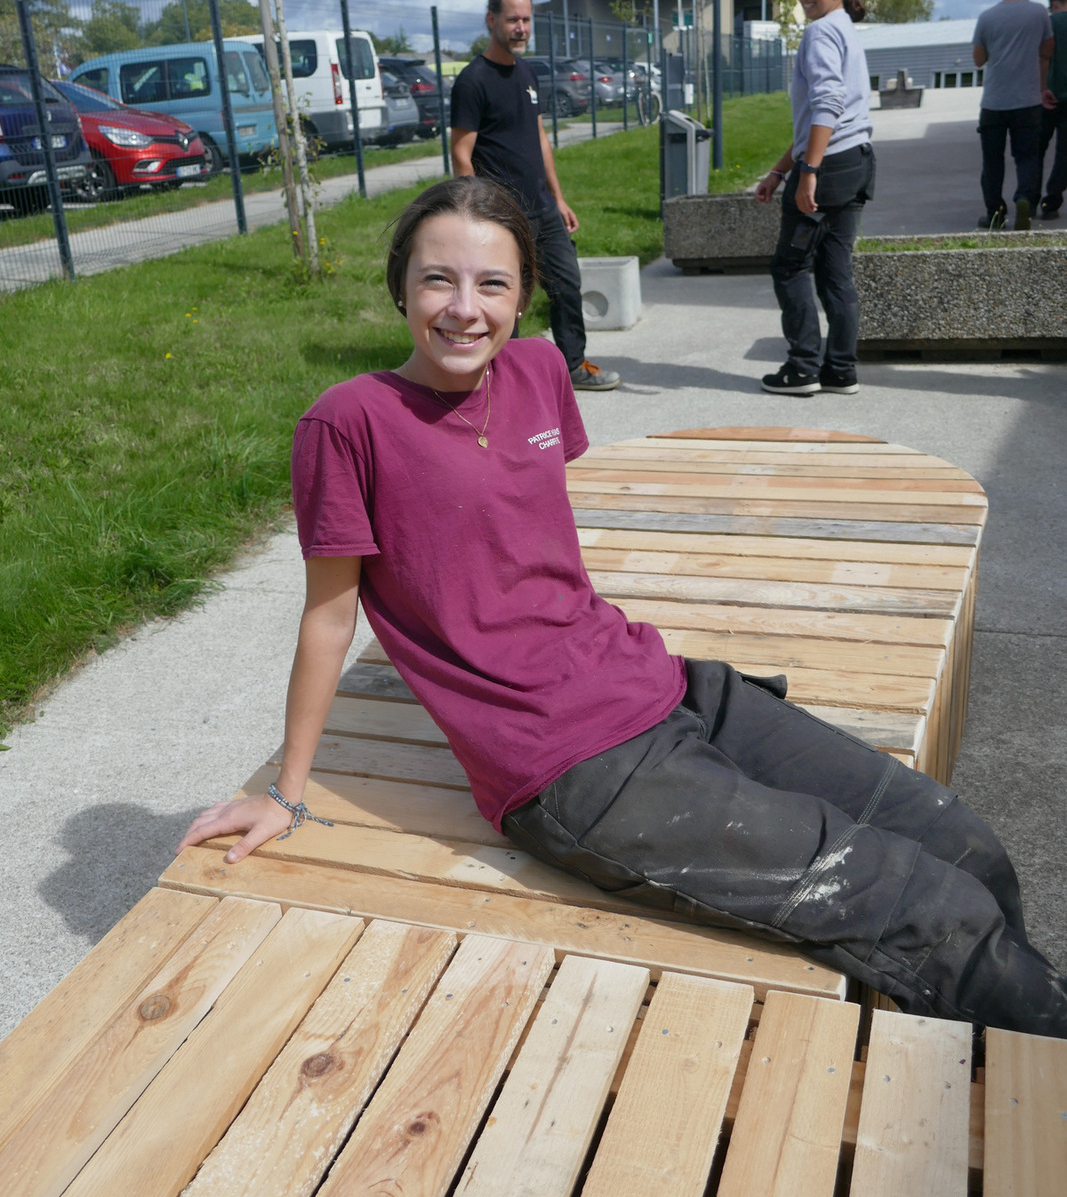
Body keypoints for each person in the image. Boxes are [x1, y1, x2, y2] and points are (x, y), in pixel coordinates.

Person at [178, 175, 1067, 1039]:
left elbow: (521, 535)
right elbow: (330, 617)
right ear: (400, 288)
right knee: (930, 914)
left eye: (492, 284)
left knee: (963, 842)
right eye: (437, 280)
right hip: (571, 766)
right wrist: (286, 794)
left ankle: (1004, 1063)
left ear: (525, 294)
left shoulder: (538, 370)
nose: (464, 309)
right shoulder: (348, 421)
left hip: (660, 681)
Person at [449, 0, 619, 392]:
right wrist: (476, 217)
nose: (521, 28)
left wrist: (558, 197)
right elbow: (461, 154)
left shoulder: (527, 72)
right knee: (508, 299)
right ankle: (503, 381)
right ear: (492, 20)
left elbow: (540, 138)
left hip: (543, 207)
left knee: (567, 284)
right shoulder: (473, 81)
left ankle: (572, 366)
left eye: (526, 19)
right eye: (513, 19)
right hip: (503, 215)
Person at [755, 0, 875, 398]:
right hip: (856, 162)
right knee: (835, 272)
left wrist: (808, 172)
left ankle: (803, 367)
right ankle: (841, 370)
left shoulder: (821, 32)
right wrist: (779, 170)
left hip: (828, 169)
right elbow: (816, 123)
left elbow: (827, 105)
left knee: (789, 267)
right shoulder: (844, 28)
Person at [972, 0, 1053, 231]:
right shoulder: (1039, 12)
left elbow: (978, 59)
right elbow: (1047, 51)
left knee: (992, 161)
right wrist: (1042, 87)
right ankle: (1024, 200)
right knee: (1028, 157)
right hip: (1027, 101)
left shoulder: (986, 17)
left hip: (994, 102)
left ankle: (995, 214)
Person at [1038, 0, 1067, 218]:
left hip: (1044, 96)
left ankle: (1028, 197)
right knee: (1064, 153)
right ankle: (1052, 200)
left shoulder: (1046, 25)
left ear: (1055, 4)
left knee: (1035, 150)